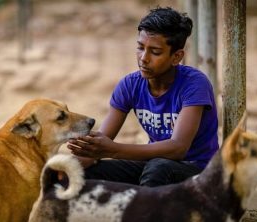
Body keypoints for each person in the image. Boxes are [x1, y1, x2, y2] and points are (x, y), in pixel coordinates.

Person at [67, 5, 219, 187]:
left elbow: (178, 149)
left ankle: (145, 212)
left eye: (155, 52)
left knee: (158, 168)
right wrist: (70, 165)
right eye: (140, 48)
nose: (144, 58)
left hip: (198, 171)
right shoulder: (130, 85)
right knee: (81, 175)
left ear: (176, 57)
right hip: (153, 164)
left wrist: (113, 150)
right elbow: (102, 142)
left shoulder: (195, 84)